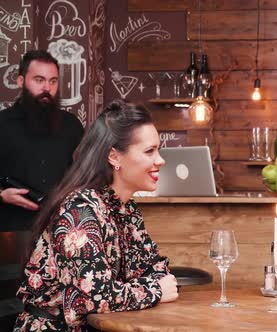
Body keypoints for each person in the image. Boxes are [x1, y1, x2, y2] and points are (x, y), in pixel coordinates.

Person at [13, 100, 178, 332]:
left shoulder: (126, 208)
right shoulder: (79, 210)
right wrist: (155, 290)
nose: (160, 160)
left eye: (158, 150)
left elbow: (157, 270)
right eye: (149, 151)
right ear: (114, 157)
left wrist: (135, 287)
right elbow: (96, 296)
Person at [0, 50, 84, 330]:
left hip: (60, 239)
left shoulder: (72, 126)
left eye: (53, 81)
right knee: (8, 316)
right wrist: (2, 194)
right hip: (8, 238)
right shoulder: (1, 124)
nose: (46, 88)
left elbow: (85, 176)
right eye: (39, 80)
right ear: (21, 81)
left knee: (57, 318)